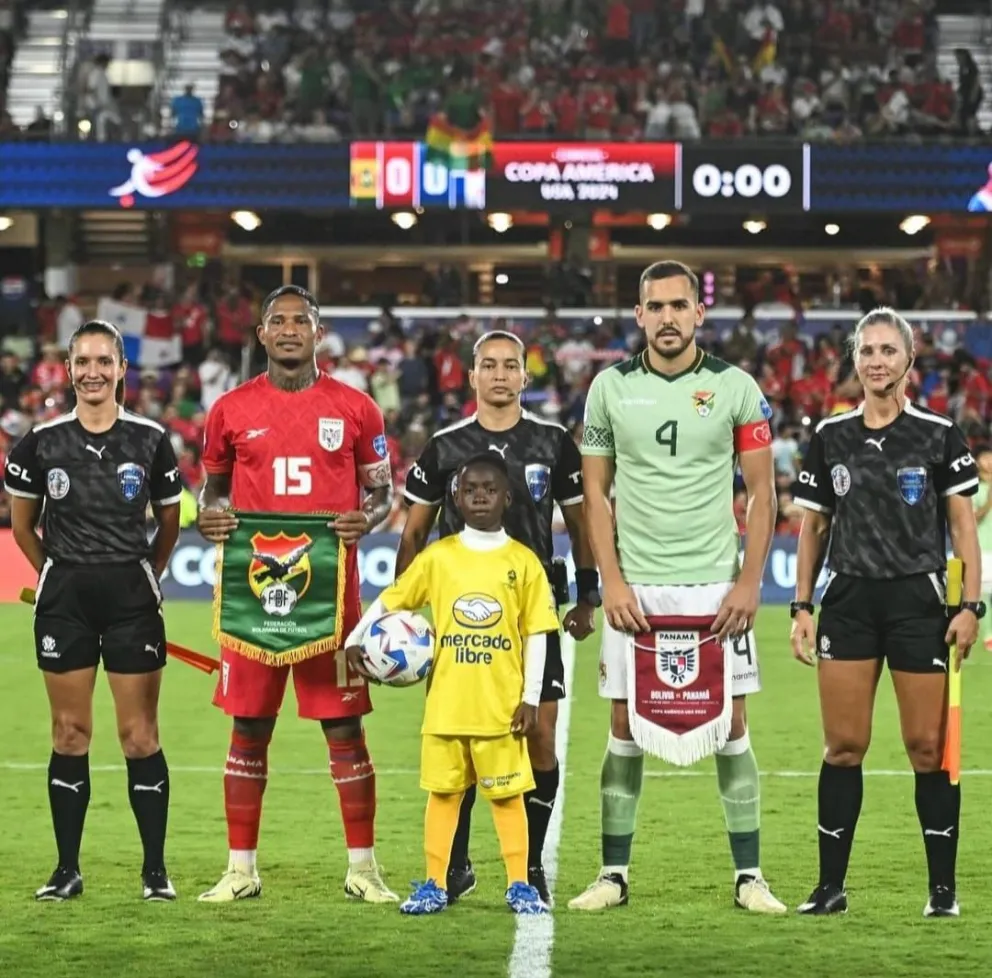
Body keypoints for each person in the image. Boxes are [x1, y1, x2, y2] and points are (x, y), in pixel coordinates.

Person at [569, 260, 786, 914]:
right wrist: (610, 581)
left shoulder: (736, 388)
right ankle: (613, 873)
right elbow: (595, 495)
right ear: (638, 315)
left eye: (678, 306)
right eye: (654, 307)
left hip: (716, 584)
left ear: (699, 313)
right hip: (636, 586)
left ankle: (750, 877)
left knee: (733, 723)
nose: (667, 317)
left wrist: (750, 583)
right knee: (623, 723)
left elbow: (764, 492)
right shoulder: (608, 388)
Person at [195, 285, 397, 904]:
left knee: (345, 732)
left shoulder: (357, 408)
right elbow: (212, 494)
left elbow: (382, 494)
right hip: (255, 599)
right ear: (260, 334)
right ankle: (240, 870)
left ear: (319, 331)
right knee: (248, 729)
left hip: (332, 599)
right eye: (276, 321)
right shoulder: (229, 409)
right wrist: (210, 517)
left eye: (299, 321)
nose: (288, 330)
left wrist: (371, 517)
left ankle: (363, 869)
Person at [790, 307, 983, 918]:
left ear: (908, 361)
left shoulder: (938, 433)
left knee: (927, 749)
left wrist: (971, 605)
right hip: (847, 600)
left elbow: (962, 527)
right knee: (844, 747)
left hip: (917, 602)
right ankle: (829, 888)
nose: (877, 361)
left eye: (888, 351)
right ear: (855, 361)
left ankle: (942, 892)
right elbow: (813, 527)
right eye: (867, 351)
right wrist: (801, 606)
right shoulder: (830, 436)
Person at [398, 329, 597, 906]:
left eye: (511, 365)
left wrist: (587, 596)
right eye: (490, 365)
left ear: (525, 377)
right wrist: (406, 616)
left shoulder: (554, 442)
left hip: (531, 616)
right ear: (472, 375)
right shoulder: (444, 445)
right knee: (458, 744)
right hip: (458, 621)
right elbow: (413, 532)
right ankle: (455, 866)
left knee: (538, 738)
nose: (501, 375)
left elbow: (580, 523)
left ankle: (528, 866)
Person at [4, 319, 182, 902]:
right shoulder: (41, 441)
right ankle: (66, 870)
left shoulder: (150, 440)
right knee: (69, 733)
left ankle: (154, 872)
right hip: (66, 604)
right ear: (69, 368)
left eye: (104, 361)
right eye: (83, 362)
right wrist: (53, 572)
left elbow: (169, 520)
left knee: (139, 736)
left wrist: (145, 573)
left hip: (132, 602)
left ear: (122, 369)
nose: (93, 372)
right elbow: (24, 525)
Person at [345, 454, 559, 915]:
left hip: (500, 708)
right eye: (469, 489)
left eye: (489, 489)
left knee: (506, 796)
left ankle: (520, 883)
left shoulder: (523, 563)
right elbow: (392, 599)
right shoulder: (438, 558)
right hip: (445, 706)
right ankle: (434, 883)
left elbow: (537, 634)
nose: (479, 495)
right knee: (442, 795)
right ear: (456, 499)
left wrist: (530, 698)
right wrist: (354, 639)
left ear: (506, 498)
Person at [971, 446, 992, 651]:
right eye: (985, 458)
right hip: (983, 549)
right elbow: (973, 519)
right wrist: (989, 502)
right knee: (983, 594)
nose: (990, 462)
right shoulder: (975, 488)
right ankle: (987, 636)